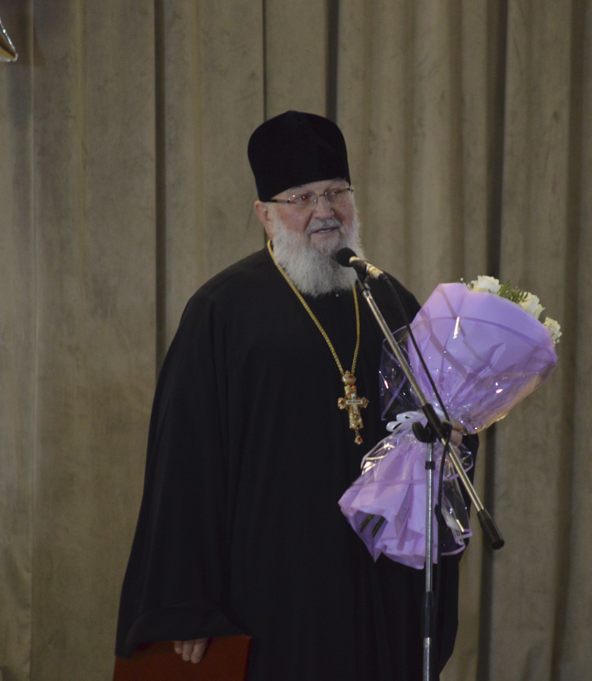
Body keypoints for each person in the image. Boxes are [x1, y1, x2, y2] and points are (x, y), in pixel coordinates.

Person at [116, 111, 469, 680]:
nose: (325, 211)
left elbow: (436, 419)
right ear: (265, 213)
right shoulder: (222, 310)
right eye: (303, 197)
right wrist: (187, 599)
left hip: (377, 578)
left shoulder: (387, 299)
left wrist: (454, 433)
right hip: (273, 580)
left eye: (336, 192)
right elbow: (185, 460)